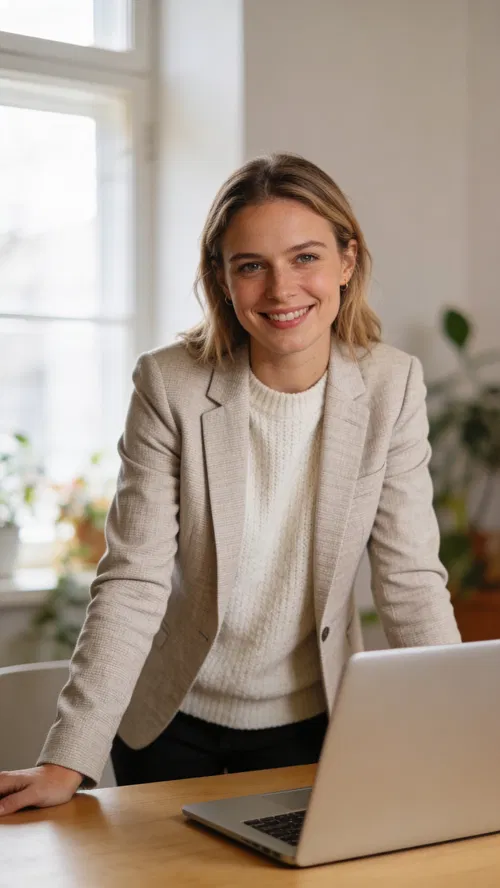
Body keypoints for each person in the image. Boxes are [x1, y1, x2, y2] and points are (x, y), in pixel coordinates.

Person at [0, 153, 461, 816]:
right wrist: (66, 758)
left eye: (305, 258)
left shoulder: (393, 386)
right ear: (221, 277)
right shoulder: (169, 385)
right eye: (251, 266)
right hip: (167, 726)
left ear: (347, 261)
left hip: (313, 726)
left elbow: (411, 578)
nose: (281, 290)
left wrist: (456, 736)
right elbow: (133, 581)